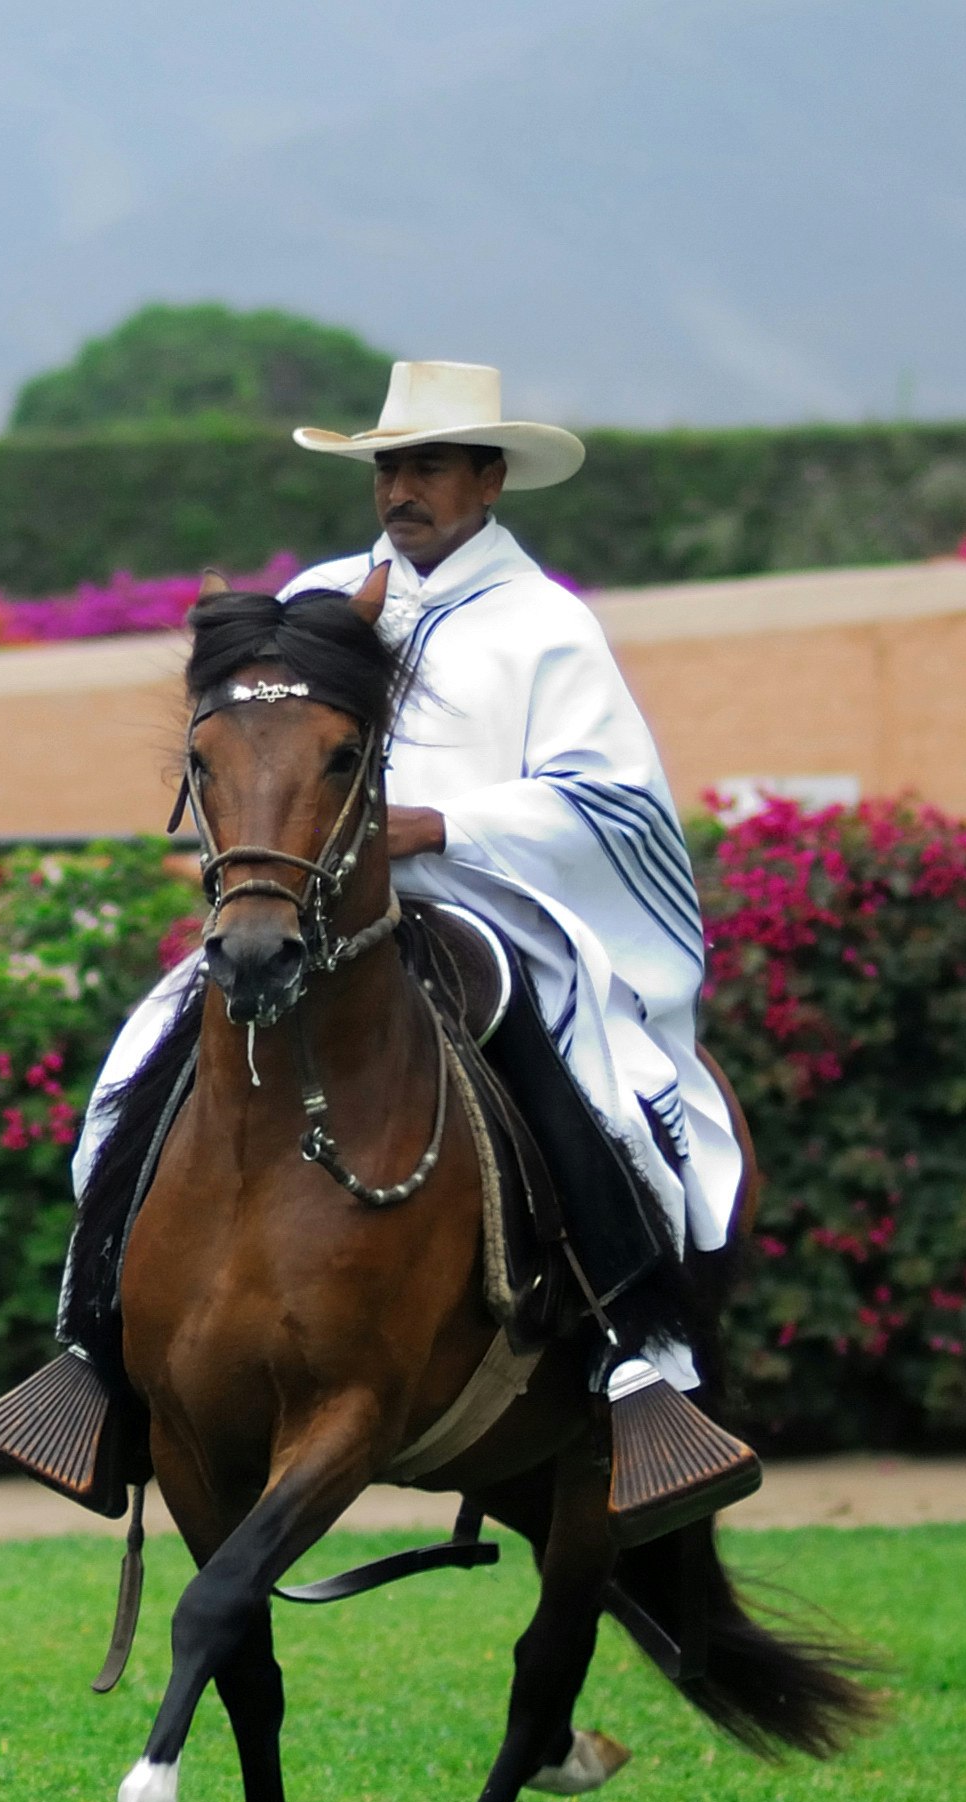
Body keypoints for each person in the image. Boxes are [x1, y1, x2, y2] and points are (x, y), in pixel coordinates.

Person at [80, 359, 739, 1408]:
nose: (400, 492)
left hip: (497, 915)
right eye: (388, 469)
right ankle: (94, 1344)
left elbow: (615, 801)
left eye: (428, 467)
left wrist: (444, 824)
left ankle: (636, 1352)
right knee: (139, 1070)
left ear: (490, 480)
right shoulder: (313, 603)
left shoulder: (548, 626)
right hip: (315, 913)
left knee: (595, 1091)